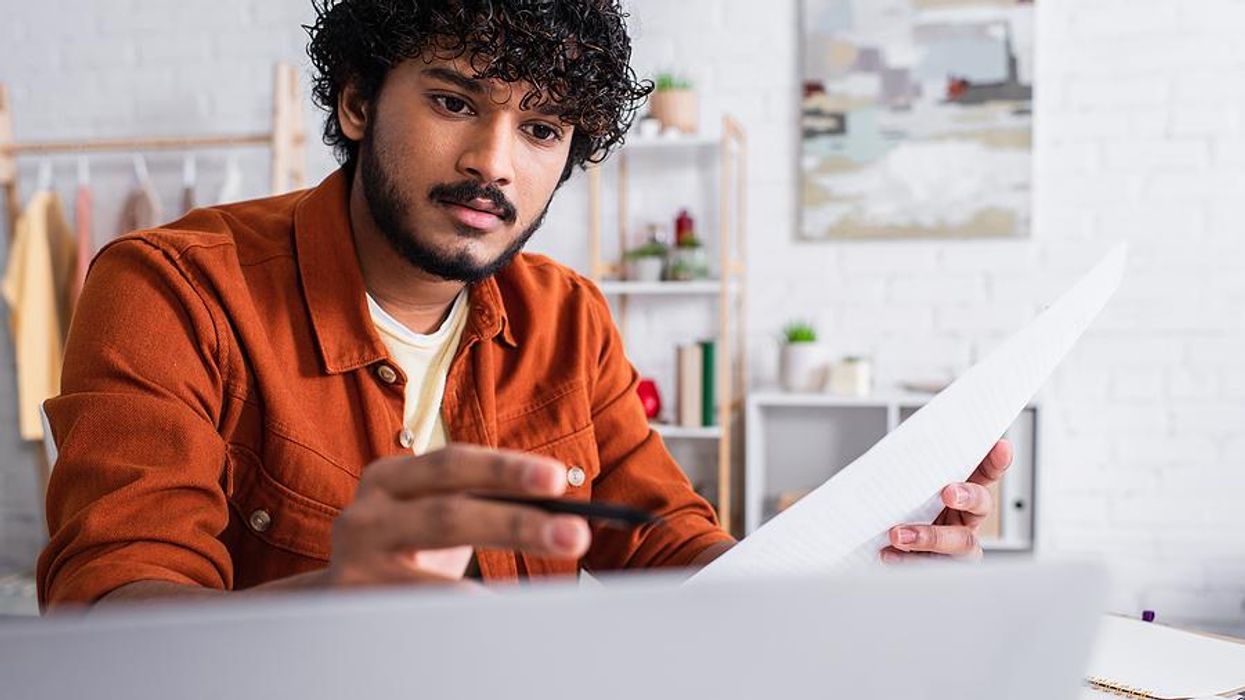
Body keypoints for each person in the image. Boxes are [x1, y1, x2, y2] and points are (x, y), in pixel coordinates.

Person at [37, 0, 1011, 608]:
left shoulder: (568, 315)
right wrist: (330, 600)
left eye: (541, 128)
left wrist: (864, 571)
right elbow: (110, 609)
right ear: (357, 102)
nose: (494, 162)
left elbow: (669, 541)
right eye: (456, 101)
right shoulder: (175, 289)